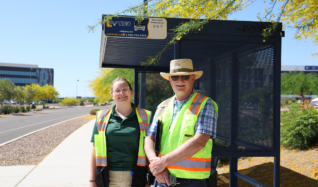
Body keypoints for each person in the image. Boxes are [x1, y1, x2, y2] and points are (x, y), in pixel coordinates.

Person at [144, 59, 218, 187]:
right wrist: (156, 164)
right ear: (170, 80)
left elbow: (200, 142)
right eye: (175, 77)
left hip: (192, 183)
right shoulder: (162, 106)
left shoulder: (206, 104)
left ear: (192, 78)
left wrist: (162, 162)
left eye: (185, 76)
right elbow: (149, 138)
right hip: (162, 179)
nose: (180, 80)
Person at [89, 77, 152, 187]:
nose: (121, 93)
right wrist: (92, 180)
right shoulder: (101, 117)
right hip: (106, 177)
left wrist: (149, 179)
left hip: (136, 177)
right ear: (112, 94)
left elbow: (151, 149)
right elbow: (95, 150)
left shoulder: (146, 117)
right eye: (117, 90)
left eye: (125, 89)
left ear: (132, 92)